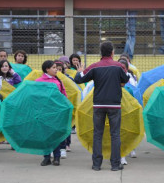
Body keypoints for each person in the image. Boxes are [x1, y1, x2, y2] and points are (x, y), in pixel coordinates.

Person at [74, 41, 130, 171]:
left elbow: (79, 79)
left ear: (101, 52)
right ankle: (115, 165)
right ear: (112, 52)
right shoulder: (119, 66)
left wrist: (80, 71)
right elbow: (126, 79)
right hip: (115, 105)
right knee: (115, 134)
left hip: (98, 104)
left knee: (97, 134)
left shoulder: (94, 67)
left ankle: (96, 164)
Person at [36, 60, 67, 166]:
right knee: (45, 135)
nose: (56, 69)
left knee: (55, 135)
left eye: (56, 68)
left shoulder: (58, 81)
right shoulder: (39, 81)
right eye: (53, 68)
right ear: (47, 69)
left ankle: (57, 157)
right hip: (43, 112)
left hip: (56, 112)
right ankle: (46, 157)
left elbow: (63, 96)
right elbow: (35, 97)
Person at [118, 58, 137, 165]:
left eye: (123, 68)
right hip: (115, 113)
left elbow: (133, 102)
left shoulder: (129, 88)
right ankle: (120, 155)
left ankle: (127, 151)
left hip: (126, 114)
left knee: (126, 134)